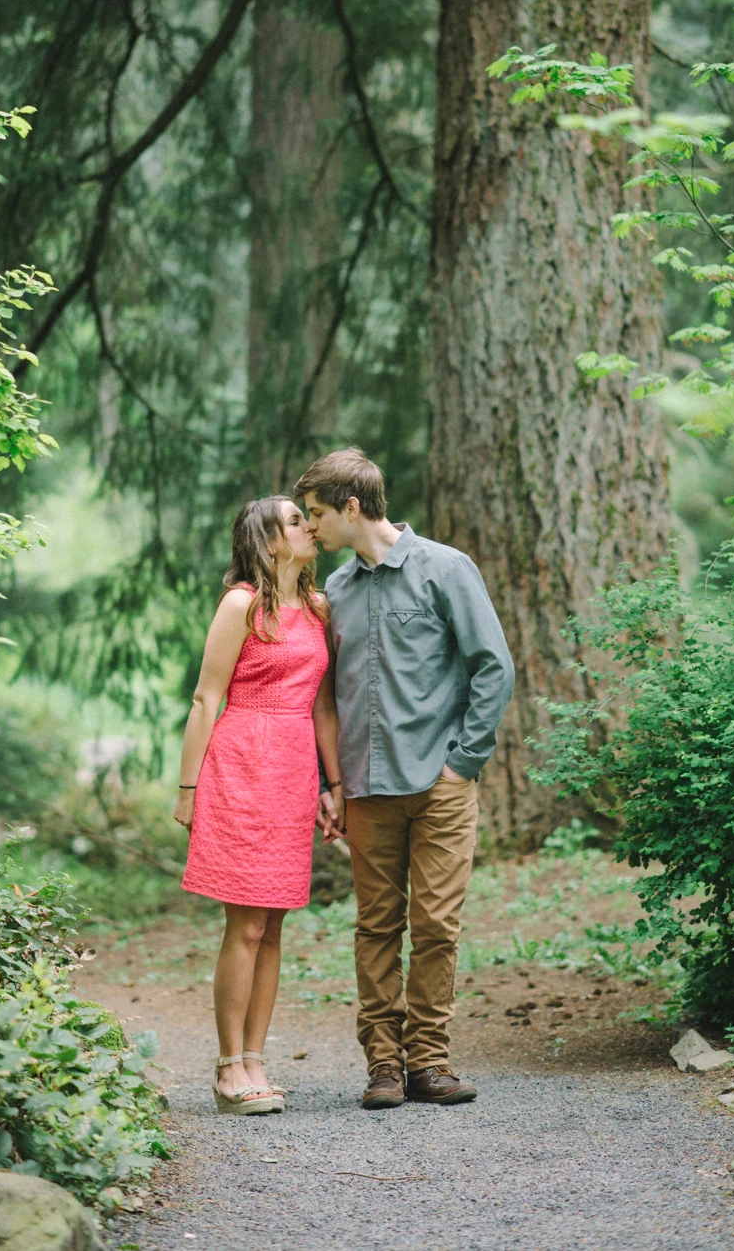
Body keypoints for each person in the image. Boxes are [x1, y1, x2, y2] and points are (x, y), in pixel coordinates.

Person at [296, 448, 514, 1110]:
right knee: (375, 927)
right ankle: (383, 1067)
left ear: (352, 507)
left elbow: (492, 667)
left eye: (316, 514)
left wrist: (462, 763)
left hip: (440, 784)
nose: (310, 528)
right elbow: (324, 696)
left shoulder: (445, 569)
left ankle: (429, 1062)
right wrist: (327, 784)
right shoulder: (334, 590)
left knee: (437, 927)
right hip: (366, 789)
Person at [173, 496, 342, 1116]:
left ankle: (257, 1058)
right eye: (297, 522)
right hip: (241, 766)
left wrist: (333, 784)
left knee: (273, 927)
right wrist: (188, 789)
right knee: (244, 925)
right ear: (269, 540)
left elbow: (324, 707)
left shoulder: (319, 609)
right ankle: (227, 1067)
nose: (310, 529)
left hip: (295, 770)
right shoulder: (241, 604)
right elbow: (204, 699)